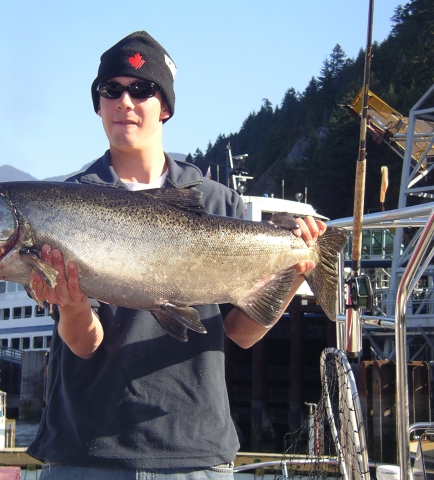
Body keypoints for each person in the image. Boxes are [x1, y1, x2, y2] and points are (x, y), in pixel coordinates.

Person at [26, 31, 325, 479]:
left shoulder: (219, 203)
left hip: (197, 454)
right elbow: (85, 342)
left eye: (141, 89)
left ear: (164, 106)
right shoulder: (62, 205)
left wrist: (294, 276)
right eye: (112, 90)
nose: (125, 101)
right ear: (99, 104)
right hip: (87, 454)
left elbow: (241, 333)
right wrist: (71, 302)